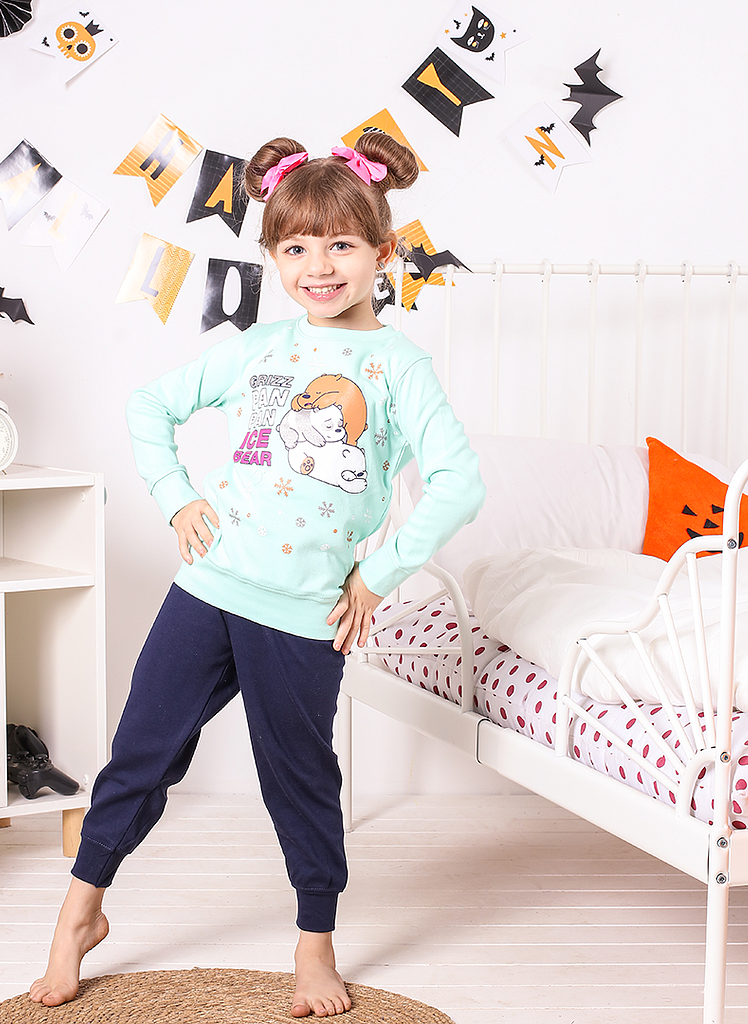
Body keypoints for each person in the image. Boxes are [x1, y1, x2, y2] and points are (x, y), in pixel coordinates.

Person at [29, 131, 485, 1018]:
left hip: (305, 613)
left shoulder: (398, 368)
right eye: (296, 248)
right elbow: (150, 406)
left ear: (383, 251)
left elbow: (459, 482)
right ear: (274, 257)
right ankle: (79, 915)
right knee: (141, 754)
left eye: (341, 244)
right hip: (208, 588)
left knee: (298, 778)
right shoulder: (259, 346)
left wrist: (377, 574)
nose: (319, 267)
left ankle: (315, 944)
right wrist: (177, 499)